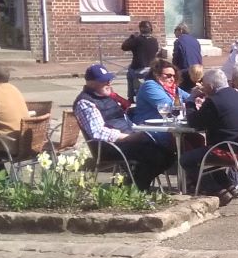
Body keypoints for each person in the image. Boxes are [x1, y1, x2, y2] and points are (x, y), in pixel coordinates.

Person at [72, 63, 175, 192]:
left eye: (109, 79)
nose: (108, 83)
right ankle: (135, 188)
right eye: (103, 81)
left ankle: (133, 183)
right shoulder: (85, 102)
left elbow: (123, 118)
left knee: (169, 152)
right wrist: (130, 137)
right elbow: (98, 132)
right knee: (156, 155)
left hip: (127, 139)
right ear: (91, 83)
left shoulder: (107, 96)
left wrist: (139, 128)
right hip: (109, 146)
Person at [181, 68, 238, 201]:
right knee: (206, 156)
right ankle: (229, 187)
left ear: (210, 86)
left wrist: (191, 100)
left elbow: (195, 123)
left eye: (204, 85)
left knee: (186, 159)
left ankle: (217, 191)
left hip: (228, 150)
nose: (203, 88)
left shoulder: (214, 101)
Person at [129, 56, 181, 124]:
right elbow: (168, 106)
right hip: (149, 128)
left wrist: (196, 94)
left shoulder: (173, 88)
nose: (172, 79)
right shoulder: (150, 86)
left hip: (167, 125)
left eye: (174, 76)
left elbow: (190, 98)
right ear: (157, 74)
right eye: (169, 76)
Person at [119, 20, 160, 101]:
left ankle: (130, 97)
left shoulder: (137, 40)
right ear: (151, 29)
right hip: (151, 68)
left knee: (129, 74)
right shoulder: (154, 40)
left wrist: (131, 37)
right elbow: (156, 51)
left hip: (138, 68)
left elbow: (124, 47)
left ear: (140, 29)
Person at [169, 21, 202, 91]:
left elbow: (175, 58)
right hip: (197, 70)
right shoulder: (195, 40)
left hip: (186, 70)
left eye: (175, 30)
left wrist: (174, 70)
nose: (174, 33)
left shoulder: (178, 41)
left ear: (181, 30)